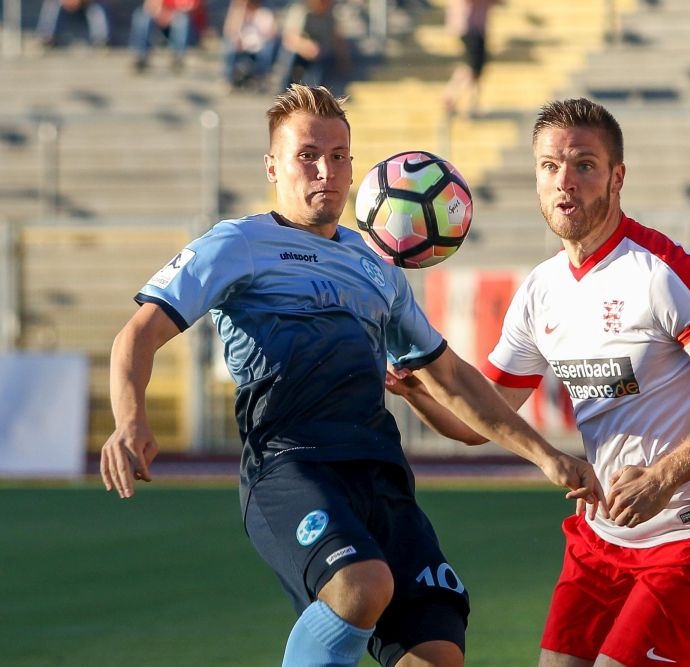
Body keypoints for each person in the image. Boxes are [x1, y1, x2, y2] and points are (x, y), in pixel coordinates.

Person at [100, 84, 601, 667]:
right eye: (307, 155)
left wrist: (546, 455)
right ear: (272, 166)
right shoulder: (236, 245)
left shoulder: (376, 268)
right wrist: (128, 420)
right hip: (290, 463)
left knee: (437, 652)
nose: (326, 171)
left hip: (380, 474)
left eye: (340, 156)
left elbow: (454, 379)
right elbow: (137, 335)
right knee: (361, 586)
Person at [386, 97, 690, 667]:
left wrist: (662, 477)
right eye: (550, 167)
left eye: (583, 165)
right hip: (603, 537)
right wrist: (418, 388)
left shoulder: (660, 272)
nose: (565, 182)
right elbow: (480, 421)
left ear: (616, 176)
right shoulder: (541, 290)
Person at [275, 0, 352, 94]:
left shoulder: (330, 14)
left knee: (322, 63)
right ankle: (284, 89)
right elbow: (290, 37)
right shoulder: (300, 9)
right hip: (299, 51)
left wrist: (343, 59)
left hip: (320, 53)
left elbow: (337, 39)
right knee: (289, 55)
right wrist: (307, 47)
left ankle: (314, 92)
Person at [442, 0, 501, 117]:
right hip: (469, 27)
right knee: (473, 67)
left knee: (475, 68)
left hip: (476, 28)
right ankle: (452, 95)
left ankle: (471, 103)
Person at [130, 0, 209, 73]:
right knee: (142, 16)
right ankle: (141, 56)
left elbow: (190, 8)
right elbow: (150, 6)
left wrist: (171, 16)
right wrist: (161, 14)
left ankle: (178, 57)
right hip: (165, 26)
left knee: (181, 20)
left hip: (190, 31)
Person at [221, 0, 280, 91]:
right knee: (230, 47)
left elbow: (271, 34)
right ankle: (228, 79)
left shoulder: (264, 14)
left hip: (259, 48)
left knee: (267, 52)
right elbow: (230, 31)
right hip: (242, 47)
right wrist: (239, 14)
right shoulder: (239, 14)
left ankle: (258, 79)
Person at [35, 0, 110, 49]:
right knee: (51, 4)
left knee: (96, 9)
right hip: (65, 4)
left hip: (85, 3)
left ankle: (100, 40)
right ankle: (47, 37)